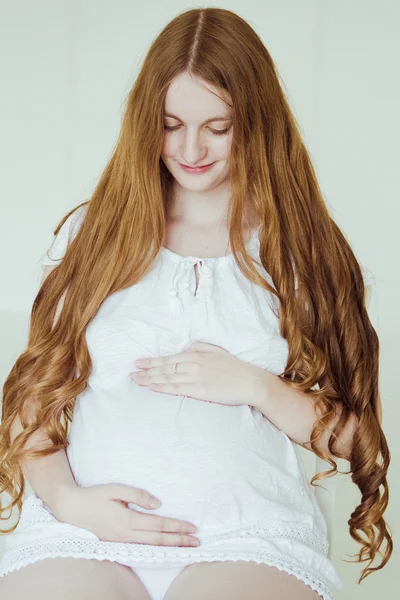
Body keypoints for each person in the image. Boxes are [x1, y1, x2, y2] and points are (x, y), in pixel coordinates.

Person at [0, 7, 392, 600]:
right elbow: (32, 400)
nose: (189, 149)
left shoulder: (301, 251)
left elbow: (353, 437)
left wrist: (256, 386)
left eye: (218, 126)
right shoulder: (92, 236)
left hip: (250, 537)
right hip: (82, 533)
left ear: (257, 122)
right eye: (170, 123)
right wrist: (71, 503)